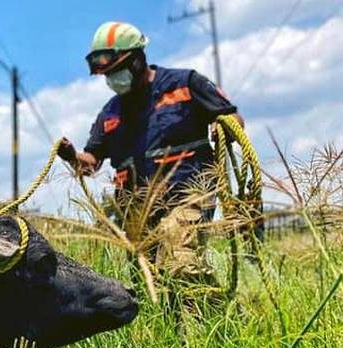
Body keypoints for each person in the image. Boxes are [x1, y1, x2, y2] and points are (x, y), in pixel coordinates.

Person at [57, 21, 244, 281]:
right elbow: (90, 164)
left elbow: (232, 116)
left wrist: (226, 126)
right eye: (107, 75)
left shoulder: (185, 83)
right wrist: (71, 156)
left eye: (117, 70)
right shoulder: (110, 113)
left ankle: (216, 318)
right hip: (137, 209)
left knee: (179, 258)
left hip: (189, 193)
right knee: (149, 281)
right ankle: (200, 317)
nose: (113, 80)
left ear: (137, 60)